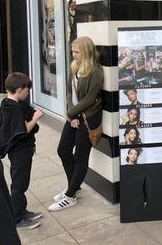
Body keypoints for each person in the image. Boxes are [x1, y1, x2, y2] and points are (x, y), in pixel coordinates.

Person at [49, 36, 103, 212]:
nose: (73, 54)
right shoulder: (75, 67)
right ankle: (74, 186)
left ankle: (70, 195)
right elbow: (69, 93)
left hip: (88, 118)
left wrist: (74, 114)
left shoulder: (96, 71)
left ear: (85, 52)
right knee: (63, 150)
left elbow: (90, 98)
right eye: (73, 51)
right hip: (73, 116)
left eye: (76, 52)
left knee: (81, 156)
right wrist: (71, 115)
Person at [0, 72, 44, 230]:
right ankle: (17, 218)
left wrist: (31, 113)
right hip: (19, 151)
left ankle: (21, 210)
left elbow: (23, 116)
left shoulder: (10, 103)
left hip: (22, 150)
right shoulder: (12, 108)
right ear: (19, 90)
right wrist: (36, 118)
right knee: (19, 184)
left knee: (22, 181)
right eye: (27, 90)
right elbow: (22, 129)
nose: (28, 93)